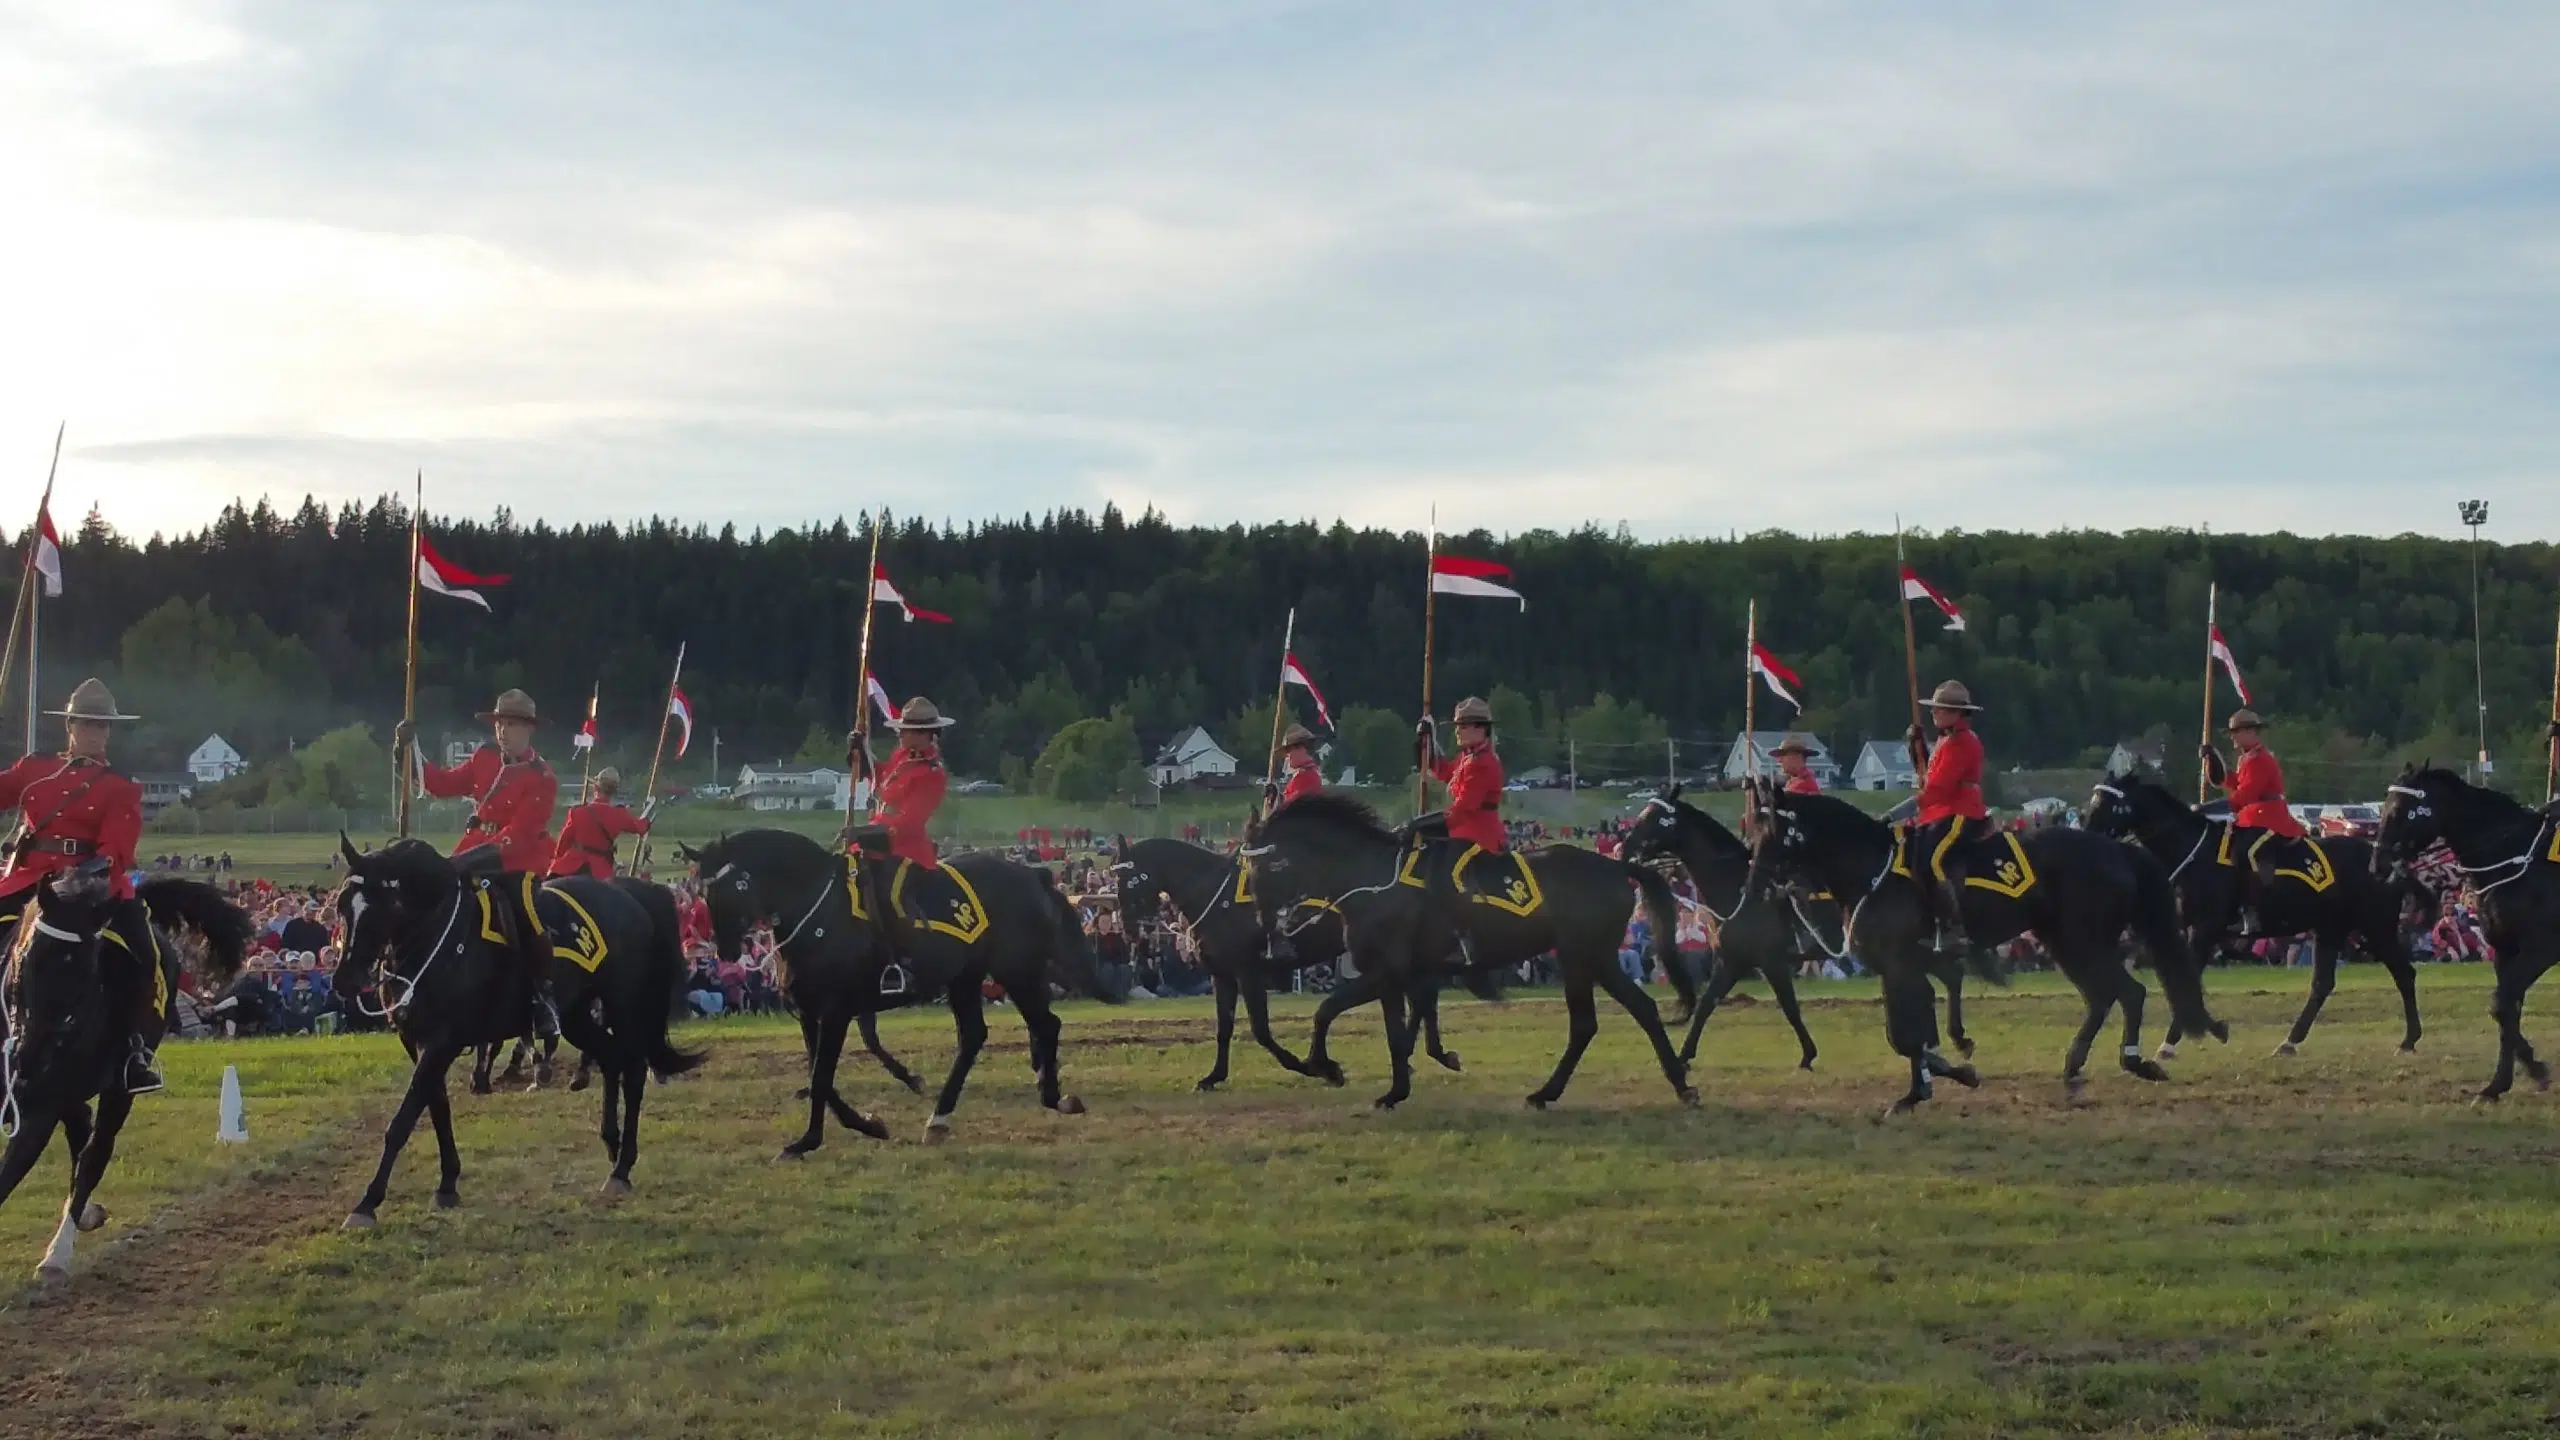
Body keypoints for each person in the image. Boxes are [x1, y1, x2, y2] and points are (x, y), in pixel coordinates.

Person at [0, 679, 162, 1091]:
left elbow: (118, 848)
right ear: (69, 725)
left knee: (145, 957)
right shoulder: (34, 769)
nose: (96, 732)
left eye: (103, 726)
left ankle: (134, 1051)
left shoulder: (120, 785)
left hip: (92, 887)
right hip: (30, 879)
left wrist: (85, 879)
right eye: (88, 723)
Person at [412, 688, 559, 873]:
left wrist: (473, 858)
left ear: (529, 728)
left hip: (517, 861)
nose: (502, 731)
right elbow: (445, 784)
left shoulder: (542, 777)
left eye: (511, 724)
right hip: (475, 845)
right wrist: (411, 757)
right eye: (498, 725)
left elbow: (520, 835)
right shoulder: (485, 756)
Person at [2201, 707, 2303, 934]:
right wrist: (2212, 760)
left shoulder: (2261, 759)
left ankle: (2253, 909)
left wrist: (2207, 808)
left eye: (2236, 732)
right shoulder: (2247, 759)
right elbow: (2234, 783)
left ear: (2250, 732)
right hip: (2251, 816)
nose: (2232, 738)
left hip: (2269, 818)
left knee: (2244, 852)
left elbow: (2245, 795)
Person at [1907, 680, 1988, 956]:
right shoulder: (1946, 740)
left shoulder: (1962, 742)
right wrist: (1916, 748)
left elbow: (1940, 787)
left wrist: (1904, 808)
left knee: (1933, 861)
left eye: (1940, 709)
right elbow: (1930, 778)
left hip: (1961, 811)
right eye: (1934, 709)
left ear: (1957, 713)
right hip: (1940, 810)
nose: (1934, 714)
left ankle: (1954, 929)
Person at [864, 697, 952, 870]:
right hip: (876, 838)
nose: (900, 733)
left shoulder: (932, 774)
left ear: (924, 734)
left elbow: (909, 823)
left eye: (906, 730)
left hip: (904, 853)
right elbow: (884, 777)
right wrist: (864, 758)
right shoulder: (902, 756)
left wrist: (869, 834)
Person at [1420, 696, 1507, 855]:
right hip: (1461, 835)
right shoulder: (1466, 757)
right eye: (1457, 726)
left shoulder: (1483, 763)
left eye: (1463, 726)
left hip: (1478, 840)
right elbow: (1446, 773)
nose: (1457, 731)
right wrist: (1427, 744)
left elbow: (1463, 809)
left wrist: (1427, 825)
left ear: (1481, 729)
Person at [547, 767, 651, 880]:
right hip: (600, 872)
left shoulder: (577, 812)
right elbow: (640, 827)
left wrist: (558, 857)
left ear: (595, 787)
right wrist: (647, 819)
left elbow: (564, 840)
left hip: (571, 865)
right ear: (614, 791)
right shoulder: (619, 814)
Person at [1266, 723, 1324, 808]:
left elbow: (1292, 811)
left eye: (1289, 750)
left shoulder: (1308, 777)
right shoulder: (1304, 774)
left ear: (1302, 748)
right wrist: (1275, 795)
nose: (1287, 755)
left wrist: (1276, 796)